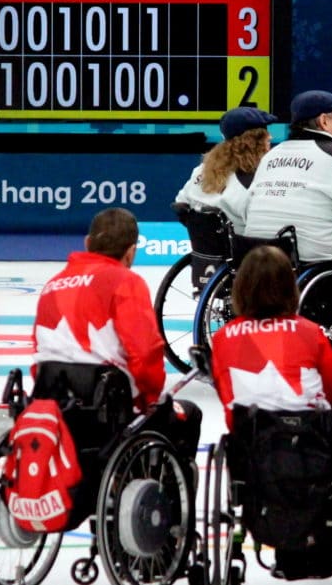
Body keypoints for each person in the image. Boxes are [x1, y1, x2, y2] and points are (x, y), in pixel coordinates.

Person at [31, 208, 203, 516]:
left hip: (54, 404)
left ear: (87, 242)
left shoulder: (52, 285)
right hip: (109, 409)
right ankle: (170, 526)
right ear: (131, 251)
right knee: (186, 416)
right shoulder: (126, 282)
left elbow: (39, 354)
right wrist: (150, 400)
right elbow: (146, 353)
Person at [209, 244, 332, 580]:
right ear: (290, 287)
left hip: (255, 449)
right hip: (316, 448)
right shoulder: (310, 332)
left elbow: (230, 406)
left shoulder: (225, 338)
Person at [241, 90, 332, 288]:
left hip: (255, 253)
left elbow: (246, 210)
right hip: (306, 262)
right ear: (324, 121)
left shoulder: (272, 155)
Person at [175, 106, 277, 235]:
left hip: (203, 253)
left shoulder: (202, 170)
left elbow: (180, 205)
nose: (270, 139)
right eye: (267, 138)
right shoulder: (255, 182)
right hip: (244, 252)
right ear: (259, 142)